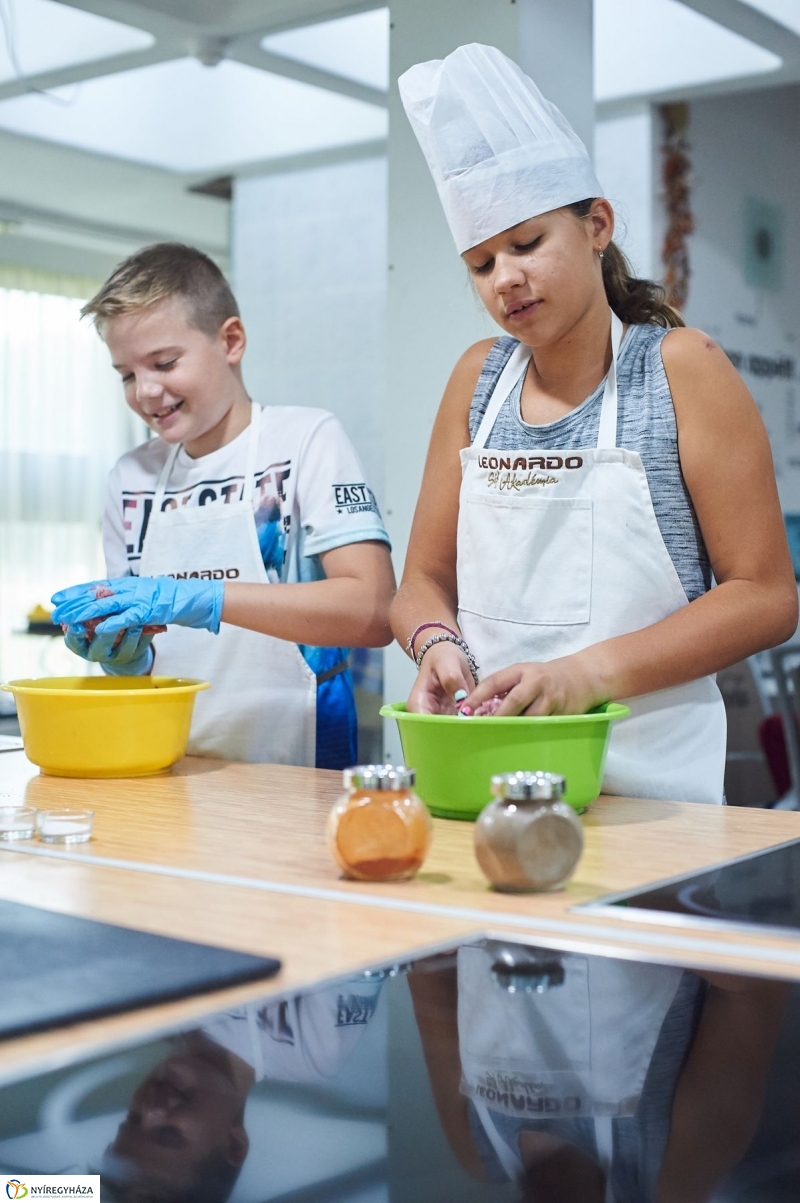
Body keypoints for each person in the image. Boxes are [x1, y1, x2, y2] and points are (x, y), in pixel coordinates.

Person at [391, 44, 798, 805]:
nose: (507, 278)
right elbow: (421, 581)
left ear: (597, 225)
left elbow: (766, 596)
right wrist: (434, 641)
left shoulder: (680, 368)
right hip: (487, 782)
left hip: (650, 799)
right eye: (481, 263)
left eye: (526, 244)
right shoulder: (477, 381)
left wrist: (585, 674)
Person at [52, 243, 395, 768]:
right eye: (126, 374)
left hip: (300, 768)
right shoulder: (131, 478)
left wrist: (203, 597)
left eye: (164, 363)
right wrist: (123, 656)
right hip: (168, 768)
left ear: (230, 341)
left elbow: (374, 611)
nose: (145, 391)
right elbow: (143, 660)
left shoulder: (305, 441)